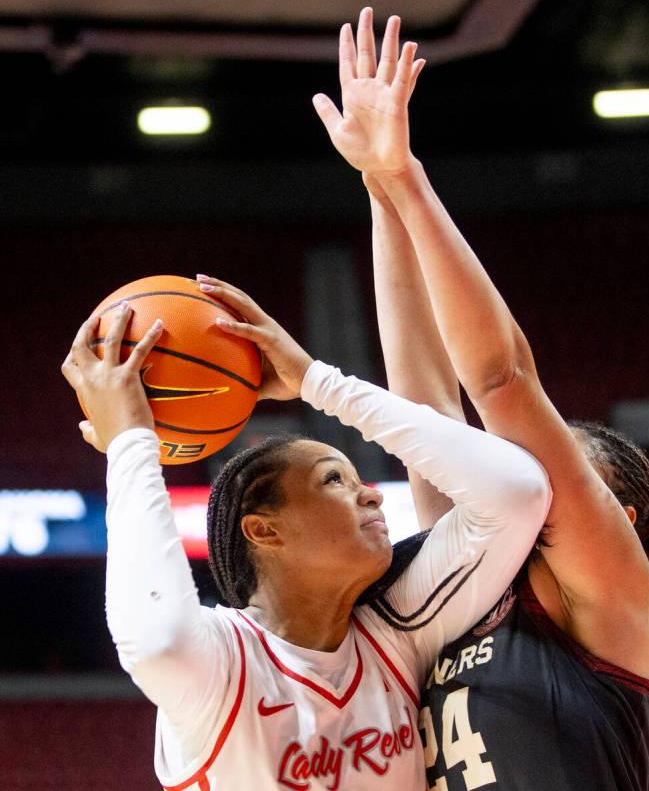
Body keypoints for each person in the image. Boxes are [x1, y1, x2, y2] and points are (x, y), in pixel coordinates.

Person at [313, 7, 649, 791]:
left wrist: (406, 178)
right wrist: (376, 183)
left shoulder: (606, 595)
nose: (508, 465)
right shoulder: (469, 571)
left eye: (539, 460)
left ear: (612, 522)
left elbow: (500, 382)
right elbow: (422, 402)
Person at [61, 282, 551, 790]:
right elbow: (156, 640)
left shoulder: (395, 635)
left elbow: (516, 494)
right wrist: (130, 440)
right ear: (264, 529)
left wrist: (319, 383)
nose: (373, 497)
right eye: (335, 480)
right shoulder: (224, 661)